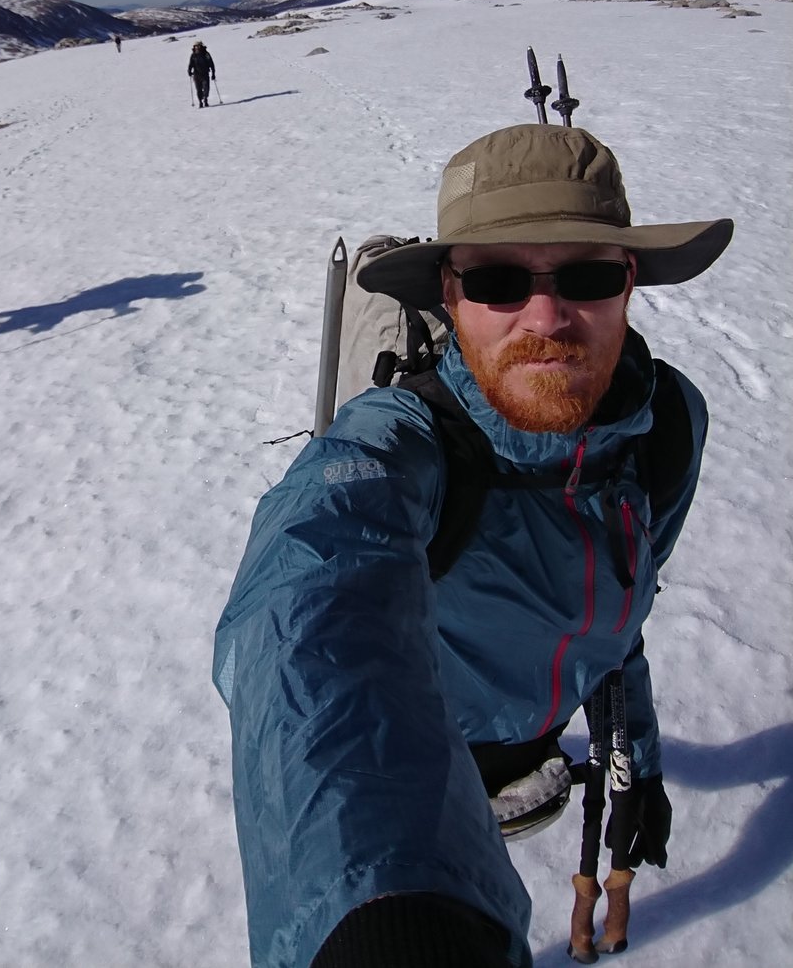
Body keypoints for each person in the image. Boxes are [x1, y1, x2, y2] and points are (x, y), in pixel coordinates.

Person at [213, 123, 733, 968]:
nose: (548, 315)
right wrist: (385, 913)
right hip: (428, 769)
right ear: (449, 299)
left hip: (547, 739)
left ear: (628, 285)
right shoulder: (402, 442)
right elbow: (303, 610)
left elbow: (624, 615)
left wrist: (636, 758)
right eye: (497, 280)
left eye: (588, 274)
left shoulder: (667, 429)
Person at [187, 40, 215, 107]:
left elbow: (211, 63)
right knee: (198, 89)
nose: (197, 47)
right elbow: (190, 64)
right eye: (196, 46)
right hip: (196, 75)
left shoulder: (206, 54)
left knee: (206, 88)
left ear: (201, 46)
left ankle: (205, 99)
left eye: (198, 45)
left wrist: (213, 73)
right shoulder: (193, 55)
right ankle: (200, 102)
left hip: (205, 74)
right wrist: (189, 71)